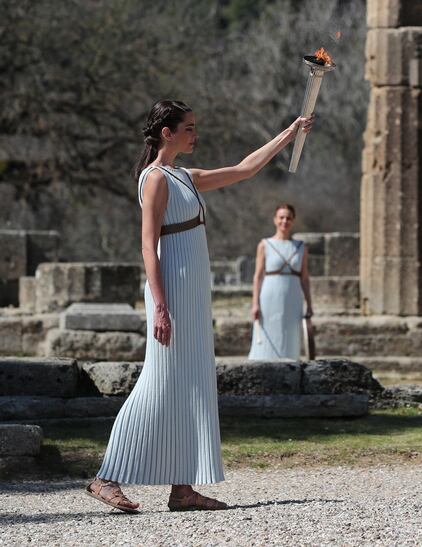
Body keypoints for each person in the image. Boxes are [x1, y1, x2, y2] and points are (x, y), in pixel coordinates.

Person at [85, 100, 314, 513]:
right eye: (188, 128)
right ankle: (106, 476)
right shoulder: (155, 179)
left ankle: (183, 489)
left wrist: (290, 132)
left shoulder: (184, 177)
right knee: (157, 383)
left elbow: (245, 169)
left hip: (192, 294)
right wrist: (158, 306)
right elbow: (147, 245)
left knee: (191, 383)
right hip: (170, 290)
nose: (195, 134)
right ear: (167, 133)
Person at [248, 203, 312, 360]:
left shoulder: (301, 247)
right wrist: (255, 303)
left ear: (293, 221)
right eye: (281, 217)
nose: (285, 221)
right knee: (267, 333)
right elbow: (257, 276)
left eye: (288, 218)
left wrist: (310, 304)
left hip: (293, 296)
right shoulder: (265, 245)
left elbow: (304, 277)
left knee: (290, 334)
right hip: (270, 295)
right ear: (275, 220)